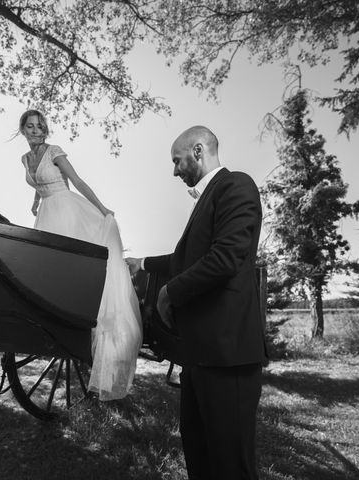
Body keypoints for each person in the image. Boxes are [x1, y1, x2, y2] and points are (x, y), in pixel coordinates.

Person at [126, 126, 267, 479]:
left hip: (227, 354)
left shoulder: (237, 185)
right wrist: (141, 264)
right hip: (199, 355)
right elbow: (184, 260)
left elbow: (226, 258)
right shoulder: (206, 198)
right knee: (200, 457)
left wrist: (168, 292)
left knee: (230, 465)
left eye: (178, 160)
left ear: (199, 150)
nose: (175, 170)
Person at [18, 109, 142, 401]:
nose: (36, 130)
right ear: (22, 129)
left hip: (67, 210)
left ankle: (94, 328)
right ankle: (60, 320)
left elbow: (76, 181)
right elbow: (37, 181)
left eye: (39, 126)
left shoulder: (54, 151)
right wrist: (36, 202)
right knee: (49, 268)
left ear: (44, 129)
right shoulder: (25, 159)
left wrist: (102, 209)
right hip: (48, 213)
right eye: (30, 126)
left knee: (73, 268)